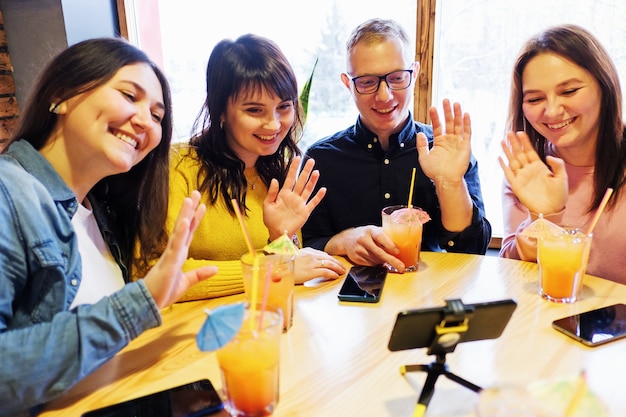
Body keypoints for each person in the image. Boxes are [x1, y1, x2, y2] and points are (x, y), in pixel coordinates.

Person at [0, 38, 217, 416]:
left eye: (157, 114)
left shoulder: (102, 212)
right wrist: (139, 302)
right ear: (62, 95)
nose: (145, 121)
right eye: (129, 96)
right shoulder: (9, 194)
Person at [302, 18, 491, 272]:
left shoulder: (446, 150)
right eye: (367, 82)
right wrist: (343, 241)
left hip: (428, 297)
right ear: (348, 84)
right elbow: (306, 246)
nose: (384, 95)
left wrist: (450, 184)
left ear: (414, 73)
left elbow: (472, 250)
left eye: (397, 78)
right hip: (346, 305)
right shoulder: (321, 159)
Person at [168, 33, 345, 301]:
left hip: (265, 321)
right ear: (221, 110)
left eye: (284, 107)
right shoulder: (179, 168)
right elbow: (156, 275)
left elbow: (288, 267)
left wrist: (282, 237)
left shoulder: (280, 173)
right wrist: (273, 268)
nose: (274, 125)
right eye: (254, 110)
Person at [499, 24, 626, 283]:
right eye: (535, 99)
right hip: (548, 319)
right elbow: (514, 275)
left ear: (605, 85)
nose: (553, 111)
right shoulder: (528, 170)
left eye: (569, 91)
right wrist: (545, 218)